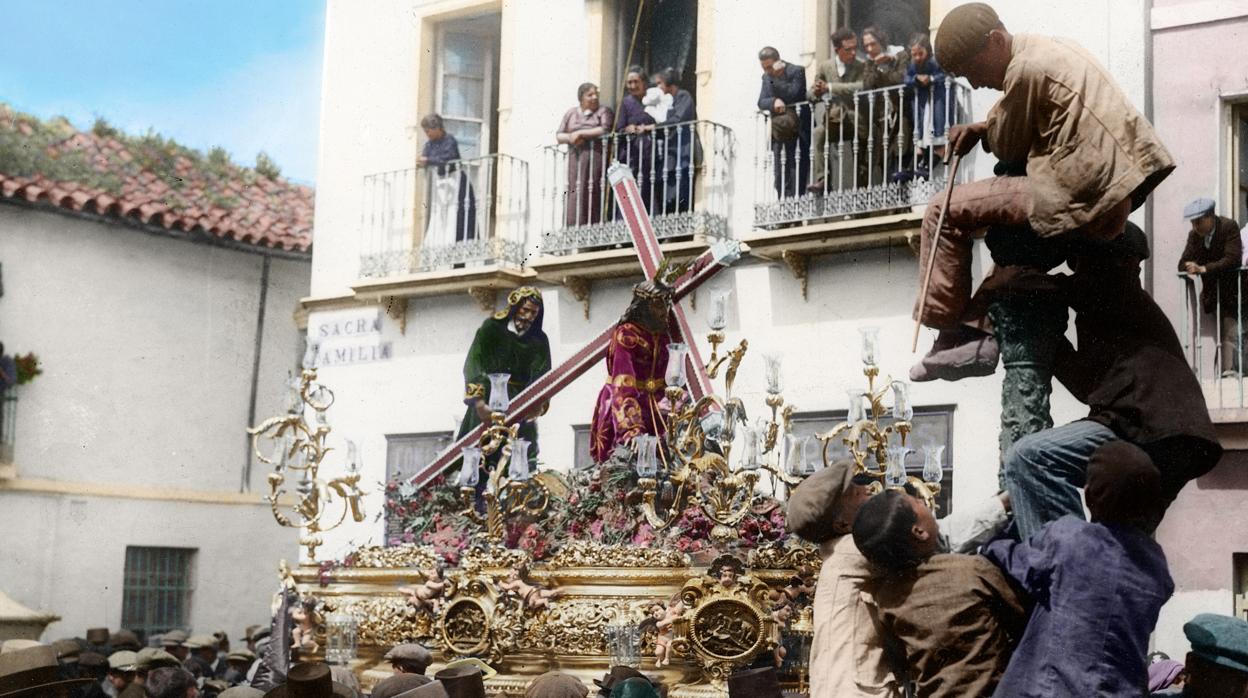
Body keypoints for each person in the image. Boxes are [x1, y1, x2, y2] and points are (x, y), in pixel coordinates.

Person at [913, 3, 1174, 368]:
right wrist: (983, 128)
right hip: (1114, 189)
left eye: (972, 71)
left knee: (944, 208)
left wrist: (988, 132)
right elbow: (1027, 111)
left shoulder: (1023, 69)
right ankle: (978, 331)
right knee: (1010, 242)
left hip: (1078, 192)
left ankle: (947, 330)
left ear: (996, 39)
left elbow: (1009, 144)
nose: (975, 83)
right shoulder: (1054, 47)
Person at [1004, 224, 1223, 539]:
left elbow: (1034, 285)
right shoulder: (1114, 307)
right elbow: (1088, 386)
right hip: (1182, 441)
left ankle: (1066, 562)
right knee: (1118, 542)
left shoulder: (1114, 289)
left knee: (1031, 457)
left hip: (1146, 428)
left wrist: (1004, 282)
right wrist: (1051, 341)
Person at [785, 459, 1012, 698]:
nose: (867, 490)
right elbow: (937, 536)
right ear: (842, 523)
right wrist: (1004, 503)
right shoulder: (856, 550)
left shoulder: (837, 554)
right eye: (855, 492)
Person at [983, 441, 1174, 697]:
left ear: (1089, 495)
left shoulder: (1070, 538)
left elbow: (1011, 560)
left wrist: (995, 538)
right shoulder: (1156, 566)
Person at [852, 490, 1027, 698]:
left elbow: (899, 657)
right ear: (919, 532)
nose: (925, 503)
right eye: (918, 502)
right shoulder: (972, 570)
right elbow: (1020, 616)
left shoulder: (887, 599)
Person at [455, 287, 551, 496]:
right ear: (515, 307)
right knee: (477, 455)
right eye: (525, 310)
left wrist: (538, 405)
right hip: (488, 401)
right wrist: (479, 403)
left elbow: (543, 376)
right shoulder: (491, 329)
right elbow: (474, 364)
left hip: (521, 406)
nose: (528, 317)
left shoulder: (539, 340)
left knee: (519, 461)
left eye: (534, 313)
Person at [589, 279, 675, 463]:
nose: (663, 310)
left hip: (658, 409)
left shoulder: (663, 334)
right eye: (658, 304)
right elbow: (623, 385)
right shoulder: (626, 335)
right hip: (625, 407)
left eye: (665, 303)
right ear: (644, 306)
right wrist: (631, 429)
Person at [1177, 197, 1245, 376]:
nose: (1195, 226)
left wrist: (1203, 268)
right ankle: (1228, 373)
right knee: (1229, 333)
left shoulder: (1228, 226)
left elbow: (1233, 258)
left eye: (1198, 221)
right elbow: (1182, 262)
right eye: (1192, 222)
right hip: (1214, 294)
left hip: (1236, 291)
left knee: (1233, 332)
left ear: (1210, 217)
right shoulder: (1195, 236)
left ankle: (1230, 373)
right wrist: (1189, 266)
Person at [808, 28, 866, 194]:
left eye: (855, 47)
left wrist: (831, 87)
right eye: (848, 49)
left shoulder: (861, 66)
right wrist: (817, 91)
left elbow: (861, 86)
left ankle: (862, 190)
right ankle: (823, 180)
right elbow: (811, 92)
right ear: (837, 50)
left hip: (856, 120)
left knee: (862, 154)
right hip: (835, 119)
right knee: (819, 133)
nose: (853, 52)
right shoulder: (825, 66)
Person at [557, 83, 614, 227]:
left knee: (592, 188)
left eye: (596, 94)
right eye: (590, 95)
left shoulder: (603, 111)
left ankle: (592, 226)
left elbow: (605, 129)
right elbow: (559, 135)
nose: (595, 97)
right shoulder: (571, 113)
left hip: (594, 156)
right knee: (575, 190)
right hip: (576, 157)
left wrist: (581, 133)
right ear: (581, 98)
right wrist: (571, 138)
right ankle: (573, 226)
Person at [859, 26, 911, 185]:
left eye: (872, 44)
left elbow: (901, 79)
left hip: (901, 111)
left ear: (881, 41)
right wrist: (875, 66)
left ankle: (900, 194)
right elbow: (867, 85)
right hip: (882, 117)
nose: (869, 48)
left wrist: (887, 65)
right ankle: (889, 196)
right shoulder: (869, 62)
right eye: (866, 46)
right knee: (882, 156)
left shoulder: (900, 55)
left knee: (900, 150)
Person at [757, 46, 810, 198]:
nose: (766, 71)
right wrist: (774, 102)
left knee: (797, 170)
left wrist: (775, 81)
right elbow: (761, 101)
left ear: (777, 61)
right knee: (780, 173)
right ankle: (783, 208)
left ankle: (795, 208)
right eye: (764, 68)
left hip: (799, 131)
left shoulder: (797, 71)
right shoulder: (767, 77)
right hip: (780, 132)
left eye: (768, 67)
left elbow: (793, 93)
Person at [418, 113, 478, 248]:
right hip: (440, 183)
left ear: (437, 128)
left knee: (456, 216)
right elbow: (426, 157)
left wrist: (428, 160)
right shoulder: (429, 145)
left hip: (455, 181)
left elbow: (448, 159)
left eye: (428, 131)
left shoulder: (449, 140)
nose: (427, 134)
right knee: (440, 215)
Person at [653, 68, 698, 215]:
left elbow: (678, 119)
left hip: (682, 148)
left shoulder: (684, 96)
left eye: (660, 83)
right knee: (670, 188)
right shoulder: (673, 100)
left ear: (668, 83)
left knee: (679, 190)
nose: (658, 87)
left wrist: (654, 127)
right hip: (672, 149)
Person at [615, 66, 658, 211]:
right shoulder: (626, 103)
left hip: (650, 153)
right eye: (629, 83)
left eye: (636, 82)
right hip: (632, 154)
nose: (633, 86)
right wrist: (628, 129)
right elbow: (619, 128)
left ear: (644, 83)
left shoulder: (653, 101)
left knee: (648, 186)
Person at [904, 33, 947, 161]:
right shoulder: (912, 65)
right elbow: (906, 78)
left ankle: (938, 147)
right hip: (922, 100)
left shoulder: (934, 62)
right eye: (914, 54)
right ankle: (921, 151)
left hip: (936, 99)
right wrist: (915, 78)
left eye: (920, 53)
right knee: (922, 121)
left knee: (936, 121)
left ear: (927, 50)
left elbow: (943, 75)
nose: (917, 57)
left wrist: (931, 78)